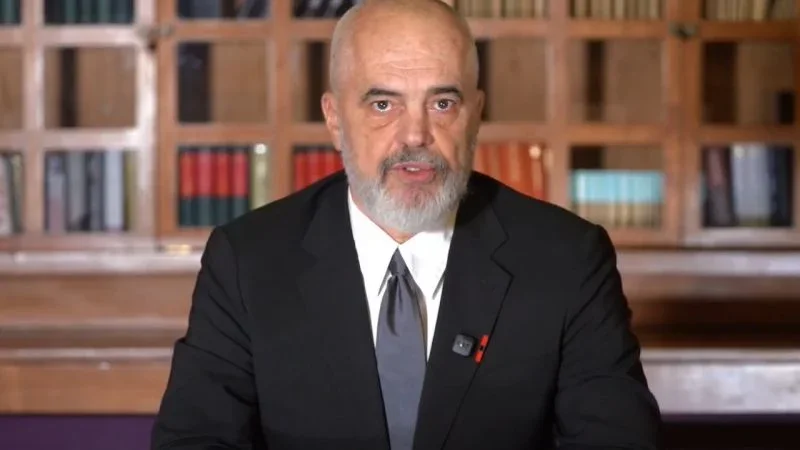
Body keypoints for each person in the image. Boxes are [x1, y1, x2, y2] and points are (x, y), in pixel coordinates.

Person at [151, 0, 663, 449]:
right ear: (334, 118)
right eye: (383, 104)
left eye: (442, 104)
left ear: (475, 114)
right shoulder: (247, 260)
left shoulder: (567, 259)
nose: (415, 135)